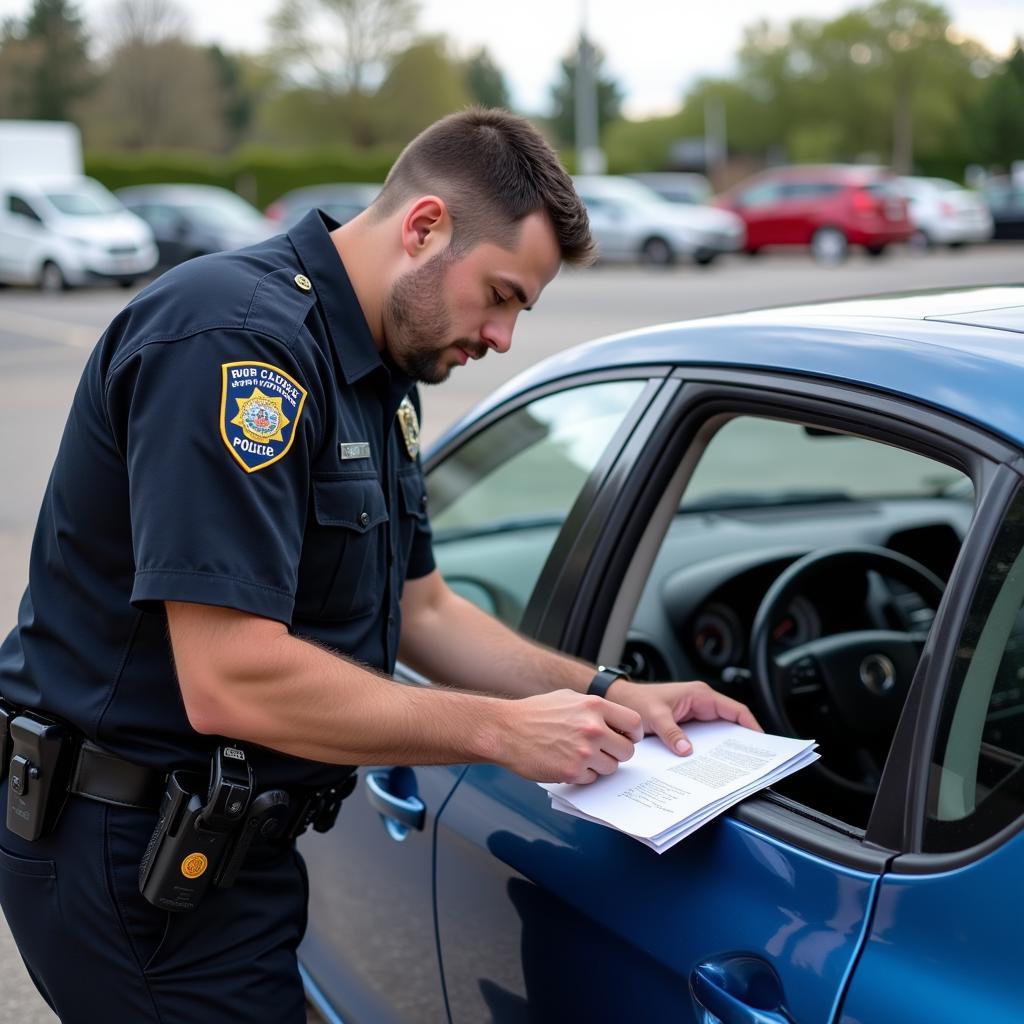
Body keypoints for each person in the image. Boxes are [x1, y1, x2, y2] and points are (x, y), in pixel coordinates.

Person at [0, 108, 759, 1022]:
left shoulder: (374, 365)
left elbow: (426, 610)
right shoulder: (235, 343)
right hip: (125, 858)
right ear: (425, 227)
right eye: (503, 295)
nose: (504, 337)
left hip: (223, 856)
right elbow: (230, 680)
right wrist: (499, 733)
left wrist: (608, 690)